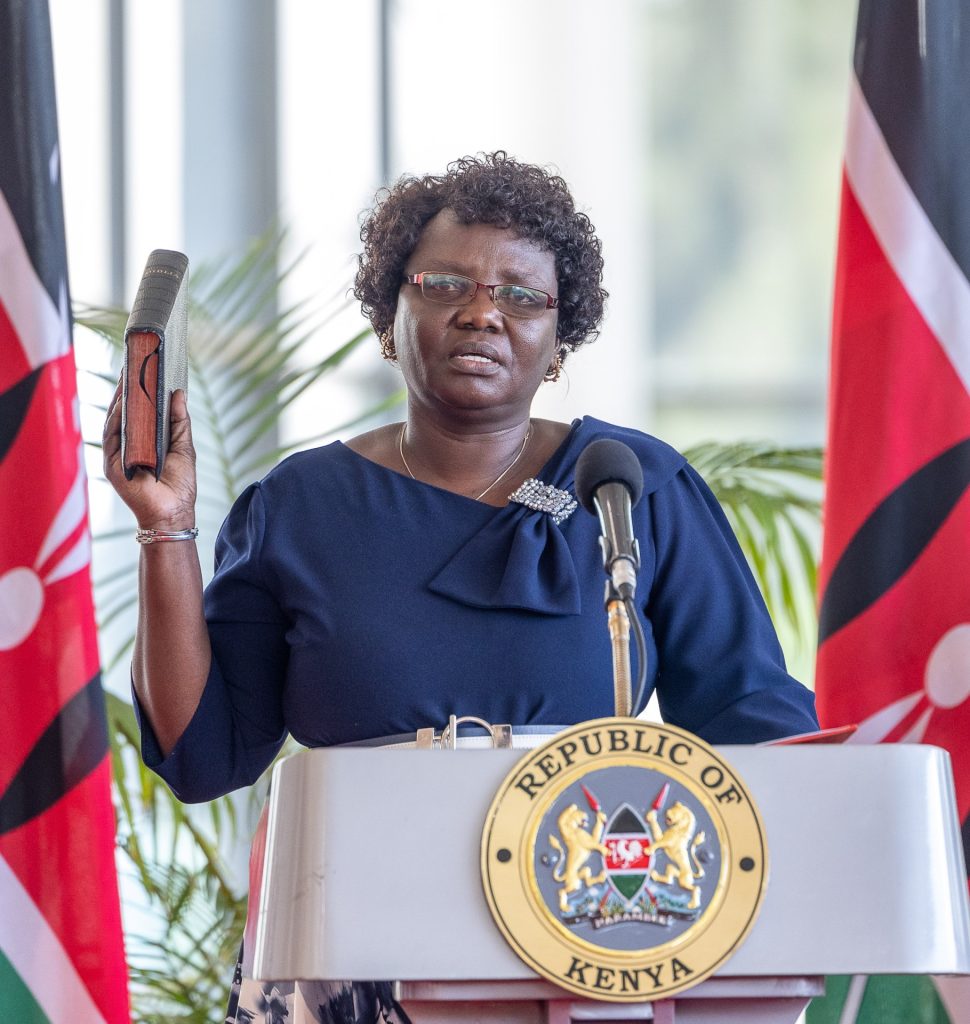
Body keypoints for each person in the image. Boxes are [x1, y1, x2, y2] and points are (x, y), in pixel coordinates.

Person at [103, 152, 818, 1024]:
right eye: (444, 283)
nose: (482, 312)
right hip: (348, 946)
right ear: (388, 314)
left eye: (522, 296)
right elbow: (203, 755)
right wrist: (164, 526)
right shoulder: (299, 504)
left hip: (586, 942)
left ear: (561, 340)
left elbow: (756, 726)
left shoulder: (628, 485)